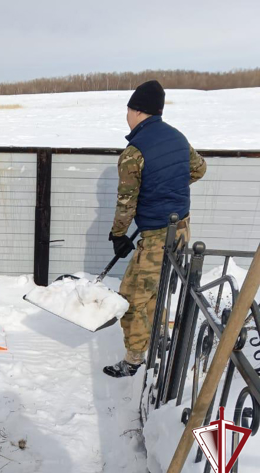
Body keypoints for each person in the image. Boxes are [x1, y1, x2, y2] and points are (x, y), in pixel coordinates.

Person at [104, 80, 207, 378]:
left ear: (136, 111)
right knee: (154, 291)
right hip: (180, 230)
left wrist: (119, 234)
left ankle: (134, 359)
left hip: (156, 237)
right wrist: (168, 188)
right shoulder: (177, 138)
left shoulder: (134, 152)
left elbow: (126, 203)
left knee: (135, 298)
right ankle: (158, 340)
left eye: (128, 109)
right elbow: (199, 169)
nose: (127, 114)